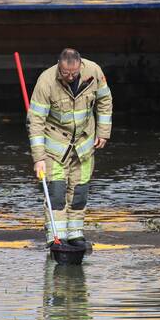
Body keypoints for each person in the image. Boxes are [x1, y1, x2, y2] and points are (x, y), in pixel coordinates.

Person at [28, 48, 112, 247]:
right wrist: (39, 158)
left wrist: (103, 132)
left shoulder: (94, 72)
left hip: (84, 145)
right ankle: (55, 237)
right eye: (66, 73)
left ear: (80, 65)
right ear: (59, 65)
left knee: (80, 191)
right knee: (57, 193)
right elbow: (36, 121)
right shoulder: (46, 81)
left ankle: (75, 234)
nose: (70, 77)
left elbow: (105, 100)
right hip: (55, 148)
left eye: (74, 73)